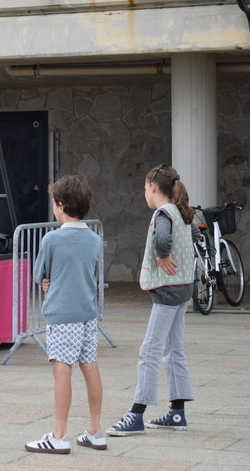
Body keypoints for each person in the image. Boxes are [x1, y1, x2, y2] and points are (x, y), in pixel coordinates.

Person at [107, 165, 196, 437]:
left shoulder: (163, 213)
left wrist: (162, 255)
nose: (144, 192)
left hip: (167, 292)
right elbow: (193, 235)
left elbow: (163, 238)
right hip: (183, 288)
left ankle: (136, 413)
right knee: (173, 349)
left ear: (153, 187)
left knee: (149, 350)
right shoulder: (181, 211)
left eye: (145, 188)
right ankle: (177, 412)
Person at [24, 176, 105, 454]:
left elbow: (40, 274)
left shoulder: (52, 239)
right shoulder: (94, 239)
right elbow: (92, 273)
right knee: (90, 367)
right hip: (87, 313)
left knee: (62, 371)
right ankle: (95, 430)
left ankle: (58, 435)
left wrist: (48, 281)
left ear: (61, 205)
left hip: (61, 313)